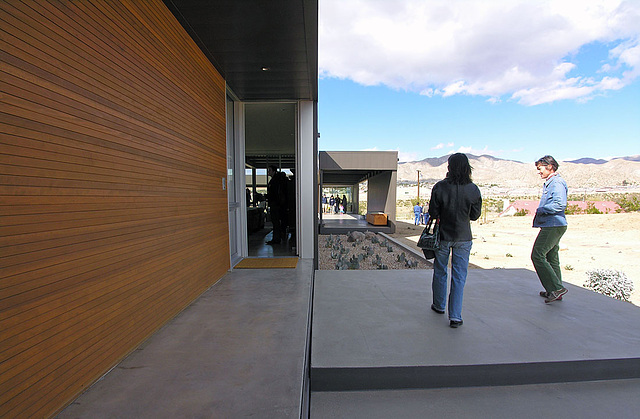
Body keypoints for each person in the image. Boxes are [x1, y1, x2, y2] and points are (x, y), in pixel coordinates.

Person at [428, 153, 482, 328]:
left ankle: (439, 305)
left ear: (449, 167)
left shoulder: (439, 187)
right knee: (459, 276)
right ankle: (456, 316)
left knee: (440, 270)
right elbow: (475, 215)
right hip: (463, 237)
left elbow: (433, 213)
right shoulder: (473, 189)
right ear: (467, 168)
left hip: (443, 236)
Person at [531, 155, 568, 303]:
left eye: (540, 169)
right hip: (555, 224)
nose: (538, 172)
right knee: (551, 257)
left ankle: (556, 288)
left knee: (537, 255)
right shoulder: (551, 183)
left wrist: (542, 210)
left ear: (550, 167)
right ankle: (554, 290)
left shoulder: (556, 183)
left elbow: (560, 204)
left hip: (553, 225)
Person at [266, 165, 288, 245]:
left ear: (274, 171)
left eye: (269, 170)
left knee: (275, 222)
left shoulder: (275, 181)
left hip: (275, 204)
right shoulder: (278, 180)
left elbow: (274, 193)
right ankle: (278, 237)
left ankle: (276, 239)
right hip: (279, 204)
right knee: (278, 222)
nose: (268, 172)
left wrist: (268, 197)